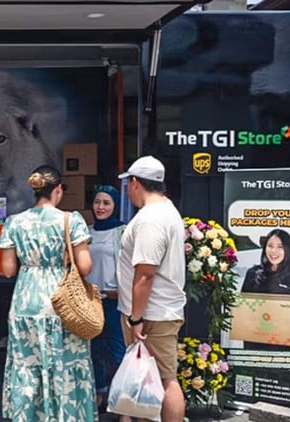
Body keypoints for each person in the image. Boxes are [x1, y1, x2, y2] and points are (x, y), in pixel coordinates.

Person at [0, 165, 97, 421]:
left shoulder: (14, 222)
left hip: (25, 301)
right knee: (64, 364)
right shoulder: (71, 220)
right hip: (62, 303)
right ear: (58, 190)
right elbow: (84, 266)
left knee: (27, 366)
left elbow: (8, 269)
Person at [116, 155, 187, 422]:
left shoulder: (149, 219)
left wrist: (136, 318)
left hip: (151, 315)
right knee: (148, 381)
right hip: (159, 311)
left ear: (134, 183)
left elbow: (145, 274)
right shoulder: (168, 210)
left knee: (166, 380)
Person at [88, 185, 129, 419]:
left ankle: (123, 399)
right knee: (93, 349)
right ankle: (98, 392)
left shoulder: (123, 231)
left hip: (114, 299)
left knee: (117, 351)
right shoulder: (86, 231)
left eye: (106, 203)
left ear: (114, 205)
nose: (100, 207)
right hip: (90, 301)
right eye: (97, 202)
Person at [241, 228, 290, 297]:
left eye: (280, 247)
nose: (274, 250)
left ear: (288, 250)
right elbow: (243, 304)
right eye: (270, 246)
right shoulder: (252, 273)